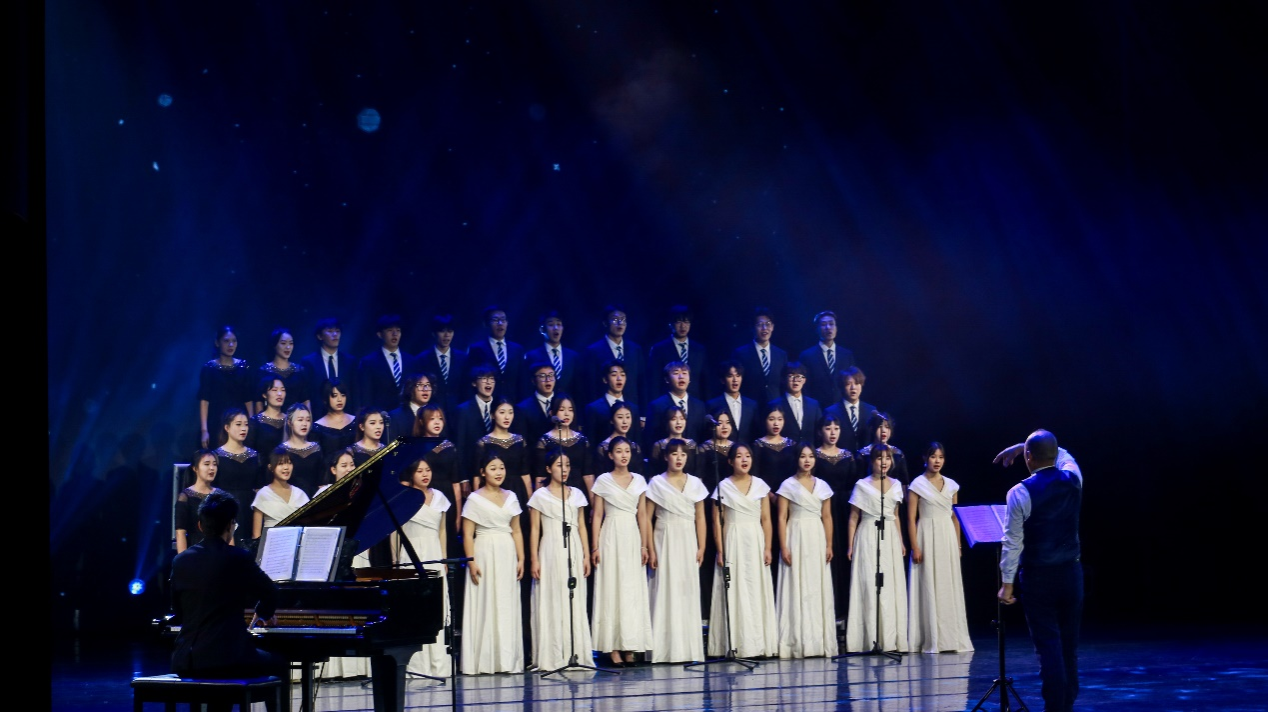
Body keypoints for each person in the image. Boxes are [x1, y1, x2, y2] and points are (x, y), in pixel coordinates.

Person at [168, 491, 288, 709]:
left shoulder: (180, 561)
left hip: (186, 659)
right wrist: (263, 613)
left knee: (222, 678)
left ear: (200, 525)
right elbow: (271, 592)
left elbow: (177, 609)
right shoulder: (238, 558)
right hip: (227, 658)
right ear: (231, 525)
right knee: (278, 664)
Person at [996, 429, 1084, 712]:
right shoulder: (1073, 477)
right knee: (1068, 646)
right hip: (1071, 574)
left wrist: (1007, 583)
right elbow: (1064, 454)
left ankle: (1055, 707)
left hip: (1038, 578)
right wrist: (1024, 446)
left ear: (1028, 457)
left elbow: (1012, 541)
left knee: (1048, 647)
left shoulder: (1019, 492)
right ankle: (1066, 706)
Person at [706, 441, 778, 659]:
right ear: (730, 461)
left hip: (755, 540)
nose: (744, 459)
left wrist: (767, 547)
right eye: (739, 456)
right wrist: (721, 550)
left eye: (747, 456)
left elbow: (766, 519)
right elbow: (717, 522)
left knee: (755, 589)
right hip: (733, 540)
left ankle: (758, 644)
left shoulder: (760, 486)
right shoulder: (723, 487)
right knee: (735, 589)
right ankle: (736, 644)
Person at [589, 436, 653, 667]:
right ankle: (613, 647)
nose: (623, 455)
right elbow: (597, 515)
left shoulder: (639, 481)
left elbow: (643, 515)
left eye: (627, 451)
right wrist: (595, 546)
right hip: (611, 535)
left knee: (631, 590)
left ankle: (629, 644)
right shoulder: (603, 481)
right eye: (618, 451)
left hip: (631, 536)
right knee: (612, 587)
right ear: (610, 455)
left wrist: (644, 545)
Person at [644, 439, 709, 663]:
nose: (679, 458)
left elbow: (700, 517)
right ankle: (664, 649)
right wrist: (650, 548)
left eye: (683, 454)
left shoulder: (695, 483)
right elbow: (647, 518)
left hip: (687, 538)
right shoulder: (656, 483)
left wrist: (702, 546)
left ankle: (687, 649)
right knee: (665, 588)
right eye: (674, 454)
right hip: (664, 538)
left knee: (686, 590)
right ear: (666, 457)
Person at [461, 452, 527, 675]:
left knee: (506, 603)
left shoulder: (511, 496)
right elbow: (468, 534)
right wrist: (471, 562)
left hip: (507, 551)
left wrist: (521, 558)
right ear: (483, 472)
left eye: (501, 467)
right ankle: (484, 660)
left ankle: (506, 660)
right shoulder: (474, 499)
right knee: (486, 602)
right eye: (493, 468)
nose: (498, 472)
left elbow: (516, 530)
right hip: (484, 551)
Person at [528, 450, 593, 671]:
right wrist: (534, 559)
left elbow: (582, 526)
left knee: (574, 599)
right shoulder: (540, 496)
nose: (564, 470)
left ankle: (576, 652)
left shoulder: (577, 494)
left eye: (567, 465)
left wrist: (586, 555)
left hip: (573, 547)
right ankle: (553, 656)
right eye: (559, 465)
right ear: (548, 469)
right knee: (553, 598)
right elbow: (535, 530)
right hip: (550, 548)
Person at [907, 442, 973, 654]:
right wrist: (915, 546)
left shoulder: (951, 485)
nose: (937, 461)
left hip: (946, 537)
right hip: (926, 534)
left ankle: (951, 638)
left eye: (941, 457)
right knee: (929, 583)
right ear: (925, 458)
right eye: (933, 456)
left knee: (947, 585)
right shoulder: (917, 485)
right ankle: (931, 638)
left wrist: (958, 544)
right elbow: (910, 518)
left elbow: (955, 517)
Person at [844, 443, 908, 653]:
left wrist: (900, 541)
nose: (884, 462)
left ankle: (889, 639)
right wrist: (850, 545)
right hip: (868, 534)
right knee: (870, 584)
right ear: (872, 461)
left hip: (889, 536)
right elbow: (853, 518)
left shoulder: (896, 485)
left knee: (889, 585)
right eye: (880, 458)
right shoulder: (862, 485)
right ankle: (869, 638)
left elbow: (896, 516)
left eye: (888, 458)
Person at [775, 443, 837, 658]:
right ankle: (796, 641)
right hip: (796, 535)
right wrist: (784, 546)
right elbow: (781, 517)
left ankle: (818, 641)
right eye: (803, 456)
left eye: (811, 456)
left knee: (816, 586)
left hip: (816, 536)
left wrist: (829, 544)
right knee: (796, 583)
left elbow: (827, 517)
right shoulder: (787, 485)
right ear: (796, 459)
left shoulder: (822, 486)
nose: (807, 460)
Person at [396, 457, 452, 678]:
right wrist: (396, 560)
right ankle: (416, 665)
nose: (425, 474)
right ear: (411, 474)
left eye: (427, 470)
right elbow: (396, 532)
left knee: (436, 607)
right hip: (411, 553)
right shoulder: (405, 497)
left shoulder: (439, 497)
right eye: (420, 471)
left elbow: (442, 531)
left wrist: (444, 558)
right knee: (414, 608)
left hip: (434, 552)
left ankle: (437, 664)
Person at [814, 414, 857, 623]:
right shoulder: (814, 456)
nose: (832, 432)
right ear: (820, 431)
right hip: (821, 510)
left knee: (843, 557)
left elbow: (854, 485)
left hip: (843, 510)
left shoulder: (848, 456)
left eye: (836, 428)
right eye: (828, 428)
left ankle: (844, 609)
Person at [197, 325, 253, 448]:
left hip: (239, 420)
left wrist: (251, 424)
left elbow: (248, 399)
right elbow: (204, 401)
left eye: (234, 341)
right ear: (217, 343)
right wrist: (204, 430)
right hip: (216, 420)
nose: (231, 345)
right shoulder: (209, 369)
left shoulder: (243, 367)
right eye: (226, 341)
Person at [582, 305, 646, 410]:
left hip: (631, 408)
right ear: (605, 323)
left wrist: (642, 412)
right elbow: (591, 386)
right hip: (604, 409)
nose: (620, 323)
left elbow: (641, 383)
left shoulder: (635, 350)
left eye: (623, 319)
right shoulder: (593, 351)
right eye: (615, 319)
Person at [213, 408, 262, 545]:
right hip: (225, 509)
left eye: (246, 424)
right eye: (238, 424)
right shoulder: (216, 456)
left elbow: (259, 488)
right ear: (227, 428)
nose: (243, 428)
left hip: (249, 510)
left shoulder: (254, 456)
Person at [647, 305, 708, 402]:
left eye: (686, 322)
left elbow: (705, 381)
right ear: (671, 324)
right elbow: (654, 382)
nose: (683, 326)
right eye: (678, 322)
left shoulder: (699, 350)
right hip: (668, 402)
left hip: (694, 402)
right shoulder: (659, 349)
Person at [534, 394, 592, 494]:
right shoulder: (544, 441)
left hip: (578, 492)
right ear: (552, 413)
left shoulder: (582, 440)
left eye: (570, 410)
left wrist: (592, 500)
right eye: (562, 410)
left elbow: (588, 475)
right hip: (553, 493)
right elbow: (541, 476)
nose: (566, 414)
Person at [466, 305, 526, 403]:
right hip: (487, 402)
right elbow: (471, 379)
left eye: (503, 320)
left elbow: (523, 381)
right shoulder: (477, 349)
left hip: (513, 403)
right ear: (487, 323)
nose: (500, 323)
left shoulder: (517, 349)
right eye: (495, 320)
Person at [729, 307, 788, 406]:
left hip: (776, 409)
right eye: (760, 324)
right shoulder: (740, 354)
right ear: (752, 328)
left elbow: (784, 385)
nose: (764, 328)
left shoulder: (781, 355)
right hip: (750, 408)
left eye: (768, 324)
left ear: (773, 327)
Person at [299, 317, 355, 418]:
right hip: (318, 417)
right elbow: (306, 395)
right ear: (320, 336)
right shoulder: (309, 362)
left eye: (337, 331)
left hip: (346, 417)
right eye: (330, 331)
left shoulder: (350, 361)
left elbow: (355, 393)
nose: (335, 334)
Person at [414, 314, 469, 416]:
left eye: (450, 331)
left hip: (458, 413)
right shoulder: (422, 360)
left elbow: (466, 389)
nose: (447, 335)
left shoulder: (463, 358)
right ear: (434, 333)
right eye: (442, 331)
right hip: (432, 414)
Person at [174, 449, 227, 553]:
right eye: (207, 464)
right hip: (196, 551)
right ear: (195, 468)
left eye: (214, 464)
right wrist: (183, 559)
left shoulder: (221, 496)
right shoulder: (185, 497)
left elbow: (228, 530)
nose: (212, 468)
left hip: (219, 552)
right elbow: (180, 533)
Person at [798, 311, 855, 408]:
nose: (828, 327)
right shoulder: (807, 356)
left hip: (842, 408)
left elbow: (853, 382)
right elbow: (805, 387)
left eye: (831, 324)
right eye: (824, 324)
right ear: (817, 329)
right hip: (817, 409)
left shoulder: (846, 355)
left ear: (836, 328)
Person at [646, 360, 709, 446]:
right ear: (667, 379)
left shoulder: (699, 406)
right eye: (676, 373)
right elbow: (650, 438)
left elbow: (703, 437)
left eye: (684, 373)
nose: (681, 377)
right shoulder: (657, 406)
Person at [251, 449, 310, 539]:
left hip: (295, 541)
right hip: (272, 542)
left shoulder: (299, 494)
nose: (286, 467)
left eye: (289, 463)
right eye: (280, 464)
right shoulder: (263, 494)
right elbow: (256, 534)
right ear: (270, 467)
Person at [582, 359, 644, 445]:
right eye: (614, 375)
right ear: (605, 379)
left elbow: (637, 441)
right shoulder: (593, 409)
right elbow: (590, 442)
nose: (619, 378)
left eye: (622, 375)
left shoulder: (633, 408)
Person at [357, 314, 411, 412]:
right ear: (380, 334)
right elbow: (366, 395)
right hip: (381, 415)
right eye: (390, 330)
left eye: (398, 330)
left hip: (407, 415)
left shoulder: (411, 360)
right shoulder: (368, 362)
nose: (395, 334)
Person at [524, 310, 581, 397]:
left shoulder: (573, 356)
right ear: (542, 329)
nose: (556, 328)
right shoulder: (532, 356)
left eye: (559, 324)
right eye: (551, 325)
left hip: (567, 404)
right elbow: (528, 387)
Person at [823, 366, 878, 453]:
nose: (853, 387)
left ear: (861, 385)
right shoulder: (831, 412)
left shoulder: (871, 411)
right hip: (842, 458)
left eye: (857, 383)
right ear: (842, 387)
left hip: (866, 459)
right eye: (848, 384)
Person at [769, 361, 823, 446]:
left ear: (804, 380)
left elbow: (820, 431)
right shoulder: (775, 404)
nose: (795, 380)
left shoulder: (814, 405)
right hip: (785, 451)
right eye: (791, 376)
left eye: (799, 377)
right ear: (784, 379)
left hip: (808, 452)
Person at [255, 327, 308, 413]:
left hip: (296, 418)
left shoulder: (300, 371)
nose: (288, 347)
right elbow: (259, 401)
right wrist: (259, 420)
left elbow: (305, 400)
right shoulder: (263, 372)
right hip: (270, 418)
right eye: (283, 343)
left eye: (291, 343)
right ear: (274, 345)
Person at [707, 359, 760, 442]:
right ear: (723, 380)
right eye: (730, 376)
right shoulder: (713, 405)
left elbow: (756, 433)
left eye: (738, 375)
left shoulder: (751, 405)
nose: (735, 379)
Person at [276, 403, 323, 497]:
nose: (305, 424)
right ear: (290, 423)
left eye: (308, 420)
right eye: (300, 420)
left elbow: (321, 481)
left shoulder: (316, 449)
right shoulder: (281, 451)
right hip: (290, 499)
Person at [387, 371, 445, 443]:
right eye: (420, 385)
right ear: (411, 389)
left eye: (428, 385)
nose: (425, 389)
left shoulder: (438, 413)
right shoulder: (396, 416)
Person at [513, 362, 558, 447]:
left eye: (551, 375)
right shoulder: (523, 408)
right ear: (533, 381)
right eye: (542, 376)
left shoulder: (563, 403)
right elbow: (521, 442)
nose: (548, 379)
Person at [858, 411, 909, 485]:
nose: (884, 431)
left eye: (887, 427)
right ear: (872, 428)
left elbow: (904, 482)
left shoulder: (898, 454)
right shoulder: (863, 455)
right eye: (880, 427)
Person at [595, 400, 646, 473]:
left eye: (628, 417)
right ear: (612, 420)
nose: (625, 421)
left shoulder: (635, 447)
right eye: (620, 417)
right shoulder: (603, 448)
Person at [646, 405, 698, 477]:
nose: (678, 422)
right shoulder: (659, 445)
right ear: (667, 422)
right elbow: (652, 472)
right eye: (674, 419)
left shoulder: (692, 444)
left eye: (682, 419)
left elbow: (697, 471)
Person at [310, 380, 358, 457]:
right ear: (325, 399)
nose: (339, 399)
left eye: (343, 395)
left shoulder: (356, 421)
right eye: (334, 396)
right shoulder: (317, 428)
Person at [245, 376, 287, 456]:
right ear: (264, 395)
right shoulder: (255, 422)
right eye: (274, 390)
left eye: (283, 390)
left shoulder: (290, 421)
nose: (279, 394)